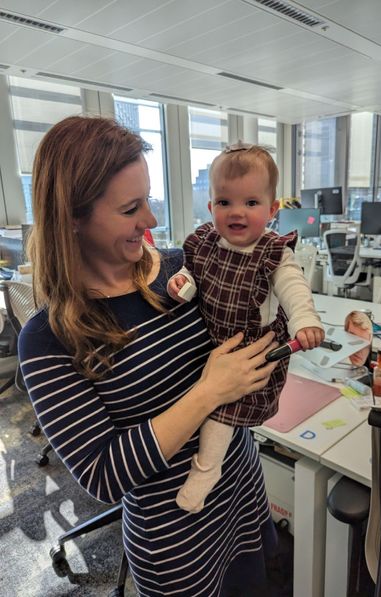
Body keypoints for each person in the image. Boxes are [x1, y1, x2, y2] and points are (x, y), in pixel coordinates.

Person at [18, 116, 283, 597]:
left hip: (240, 492)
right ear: (73, 217)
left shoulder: (182, 270)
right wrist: (208, 392)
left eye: (149, 200)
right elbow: (102, 474)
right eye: (130, 208)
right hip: (176, 538)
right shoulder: (49, 338)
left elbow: (252, 307)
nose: (152, 221)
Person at [167, 143, 324, 513]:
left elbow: (294, 290)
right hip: (210, 344)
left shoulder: (275, 253)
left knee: (221, 415)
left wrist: (305, 321)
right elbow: (191, 273)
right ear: (211, 208)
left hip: (250, 354)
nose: (236, 213)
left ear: (271, 211)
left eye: (251, 203)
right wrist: (182, 283)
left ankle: (206, 471)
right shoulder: (202, 242)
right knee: (195, 401)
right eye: (225, 203)